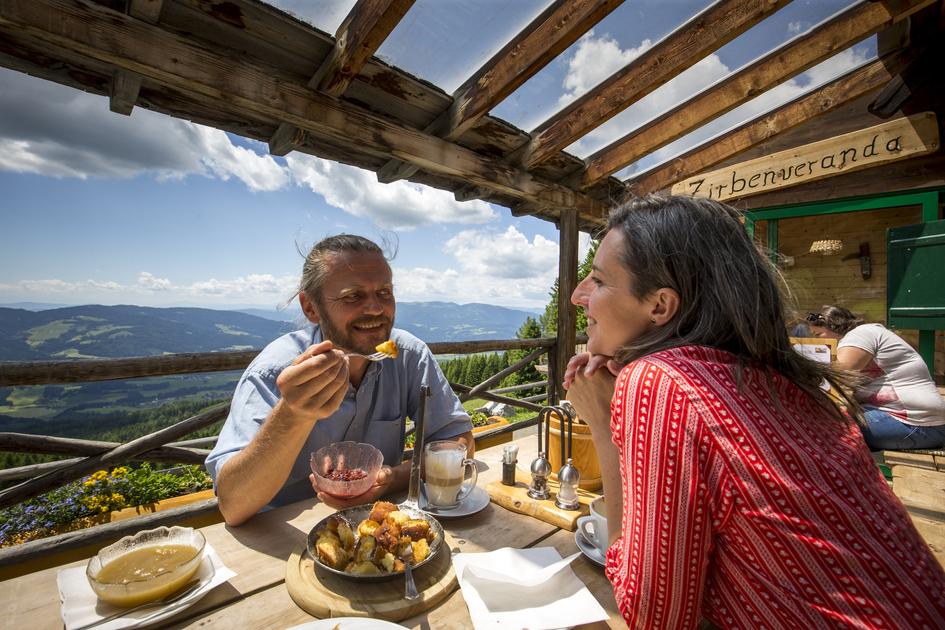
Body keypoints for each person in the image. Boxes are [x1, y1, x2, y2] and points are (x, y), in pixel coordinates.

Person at [562, 195, 945, 629]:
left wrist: (603, 425)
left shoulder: (661, 381)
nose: (578, 295)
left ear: (659, 306)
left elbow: (653, 616)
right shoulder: (775, 380)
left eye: (597, 279)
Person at [205, 235, 474, 526]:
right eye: (353, 296)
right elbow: (232, 505)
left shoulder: (408, 356)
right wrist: (292, 414)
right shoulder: (273, 371)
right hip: (284, 538)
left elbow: (459, 442)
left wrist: (393, 479)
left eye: (385, 292)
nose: (375, 309)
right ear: (311, 308)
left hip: (377, 529)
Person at [807, 306, 945, 451]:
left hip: (917, 426)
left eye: (818, 334)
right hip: (919, 424)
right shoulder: (868, 333)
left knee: (819, 427)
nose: (815, 340)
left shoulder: (861, 334)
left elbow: (835, 374)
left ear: (835, 328)